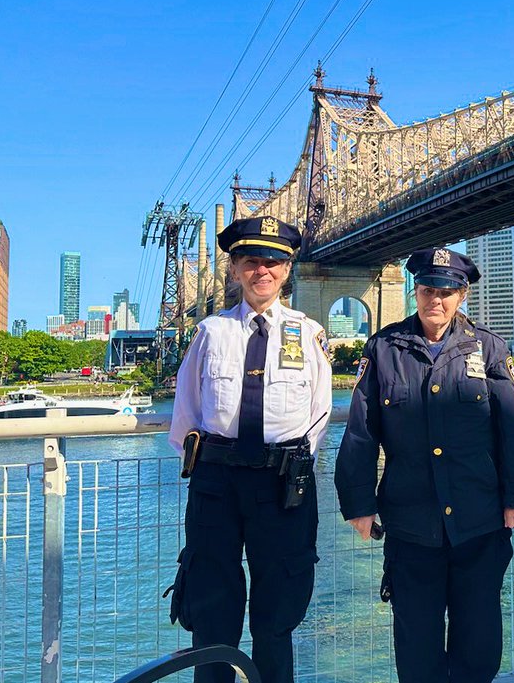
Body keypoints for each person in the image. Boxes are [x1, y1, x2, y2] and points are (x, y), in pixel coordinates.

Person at [334, 247, 514, 683]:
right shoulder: (384, 348)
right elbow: (361, 431)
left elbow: (513, 428)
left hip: (480, 521)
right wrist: (358, 503)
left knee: (479, 640)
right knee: (416, 642)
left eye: (447, 291)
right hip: (411, 522)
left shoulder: (489, 347)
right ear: (415, 292)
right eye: (428, 289)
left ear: (462, 295)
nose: (436, 301)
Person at [166, 216, 332, 683]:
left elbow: (319, 411)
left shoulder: (308, 331)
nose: (264, 270)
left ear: (287, 269)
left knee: (277, 614)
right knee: (213, 609)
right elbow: (186, 410)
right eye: (252, 261)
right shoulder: (210, 333)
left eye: (275, 261)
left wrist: (294, 464)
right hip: (217, 483)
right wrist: (210, 463)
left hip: (283, 484)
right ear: (235, 269)